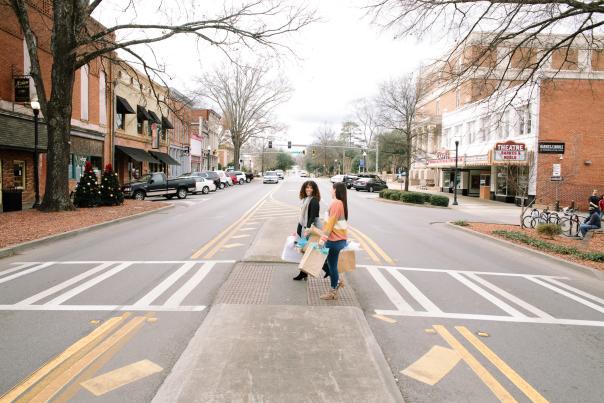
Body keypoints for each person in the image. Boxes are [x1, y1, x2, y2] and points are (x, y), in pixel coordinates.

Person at [316, 182, 349, 300]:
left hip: (334, 240)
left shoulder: (336, 203)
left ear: (335, 190)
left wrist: (322, 239)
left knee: (332, 266)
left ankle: (333, 291)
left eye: (332, 189)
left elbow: (331, 223)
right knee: (331, 265)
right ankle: (337, 282)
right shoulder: (340, 203)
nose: (330, 191)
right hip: (338, 239)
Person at [293, 181, 321, 281]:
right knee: (305, 252)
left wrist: (307, 230)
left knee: (311, 253)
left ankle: (331, 272)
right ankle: (303, 273)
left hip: (308, 231)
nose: (308, 189)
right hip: (303, 229)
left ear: (314, 189)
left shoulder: (314, 201)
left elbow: (312, 217)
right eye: (307, 187)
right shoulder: (306, 199)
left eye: (311, 188)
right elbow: (303, 216)